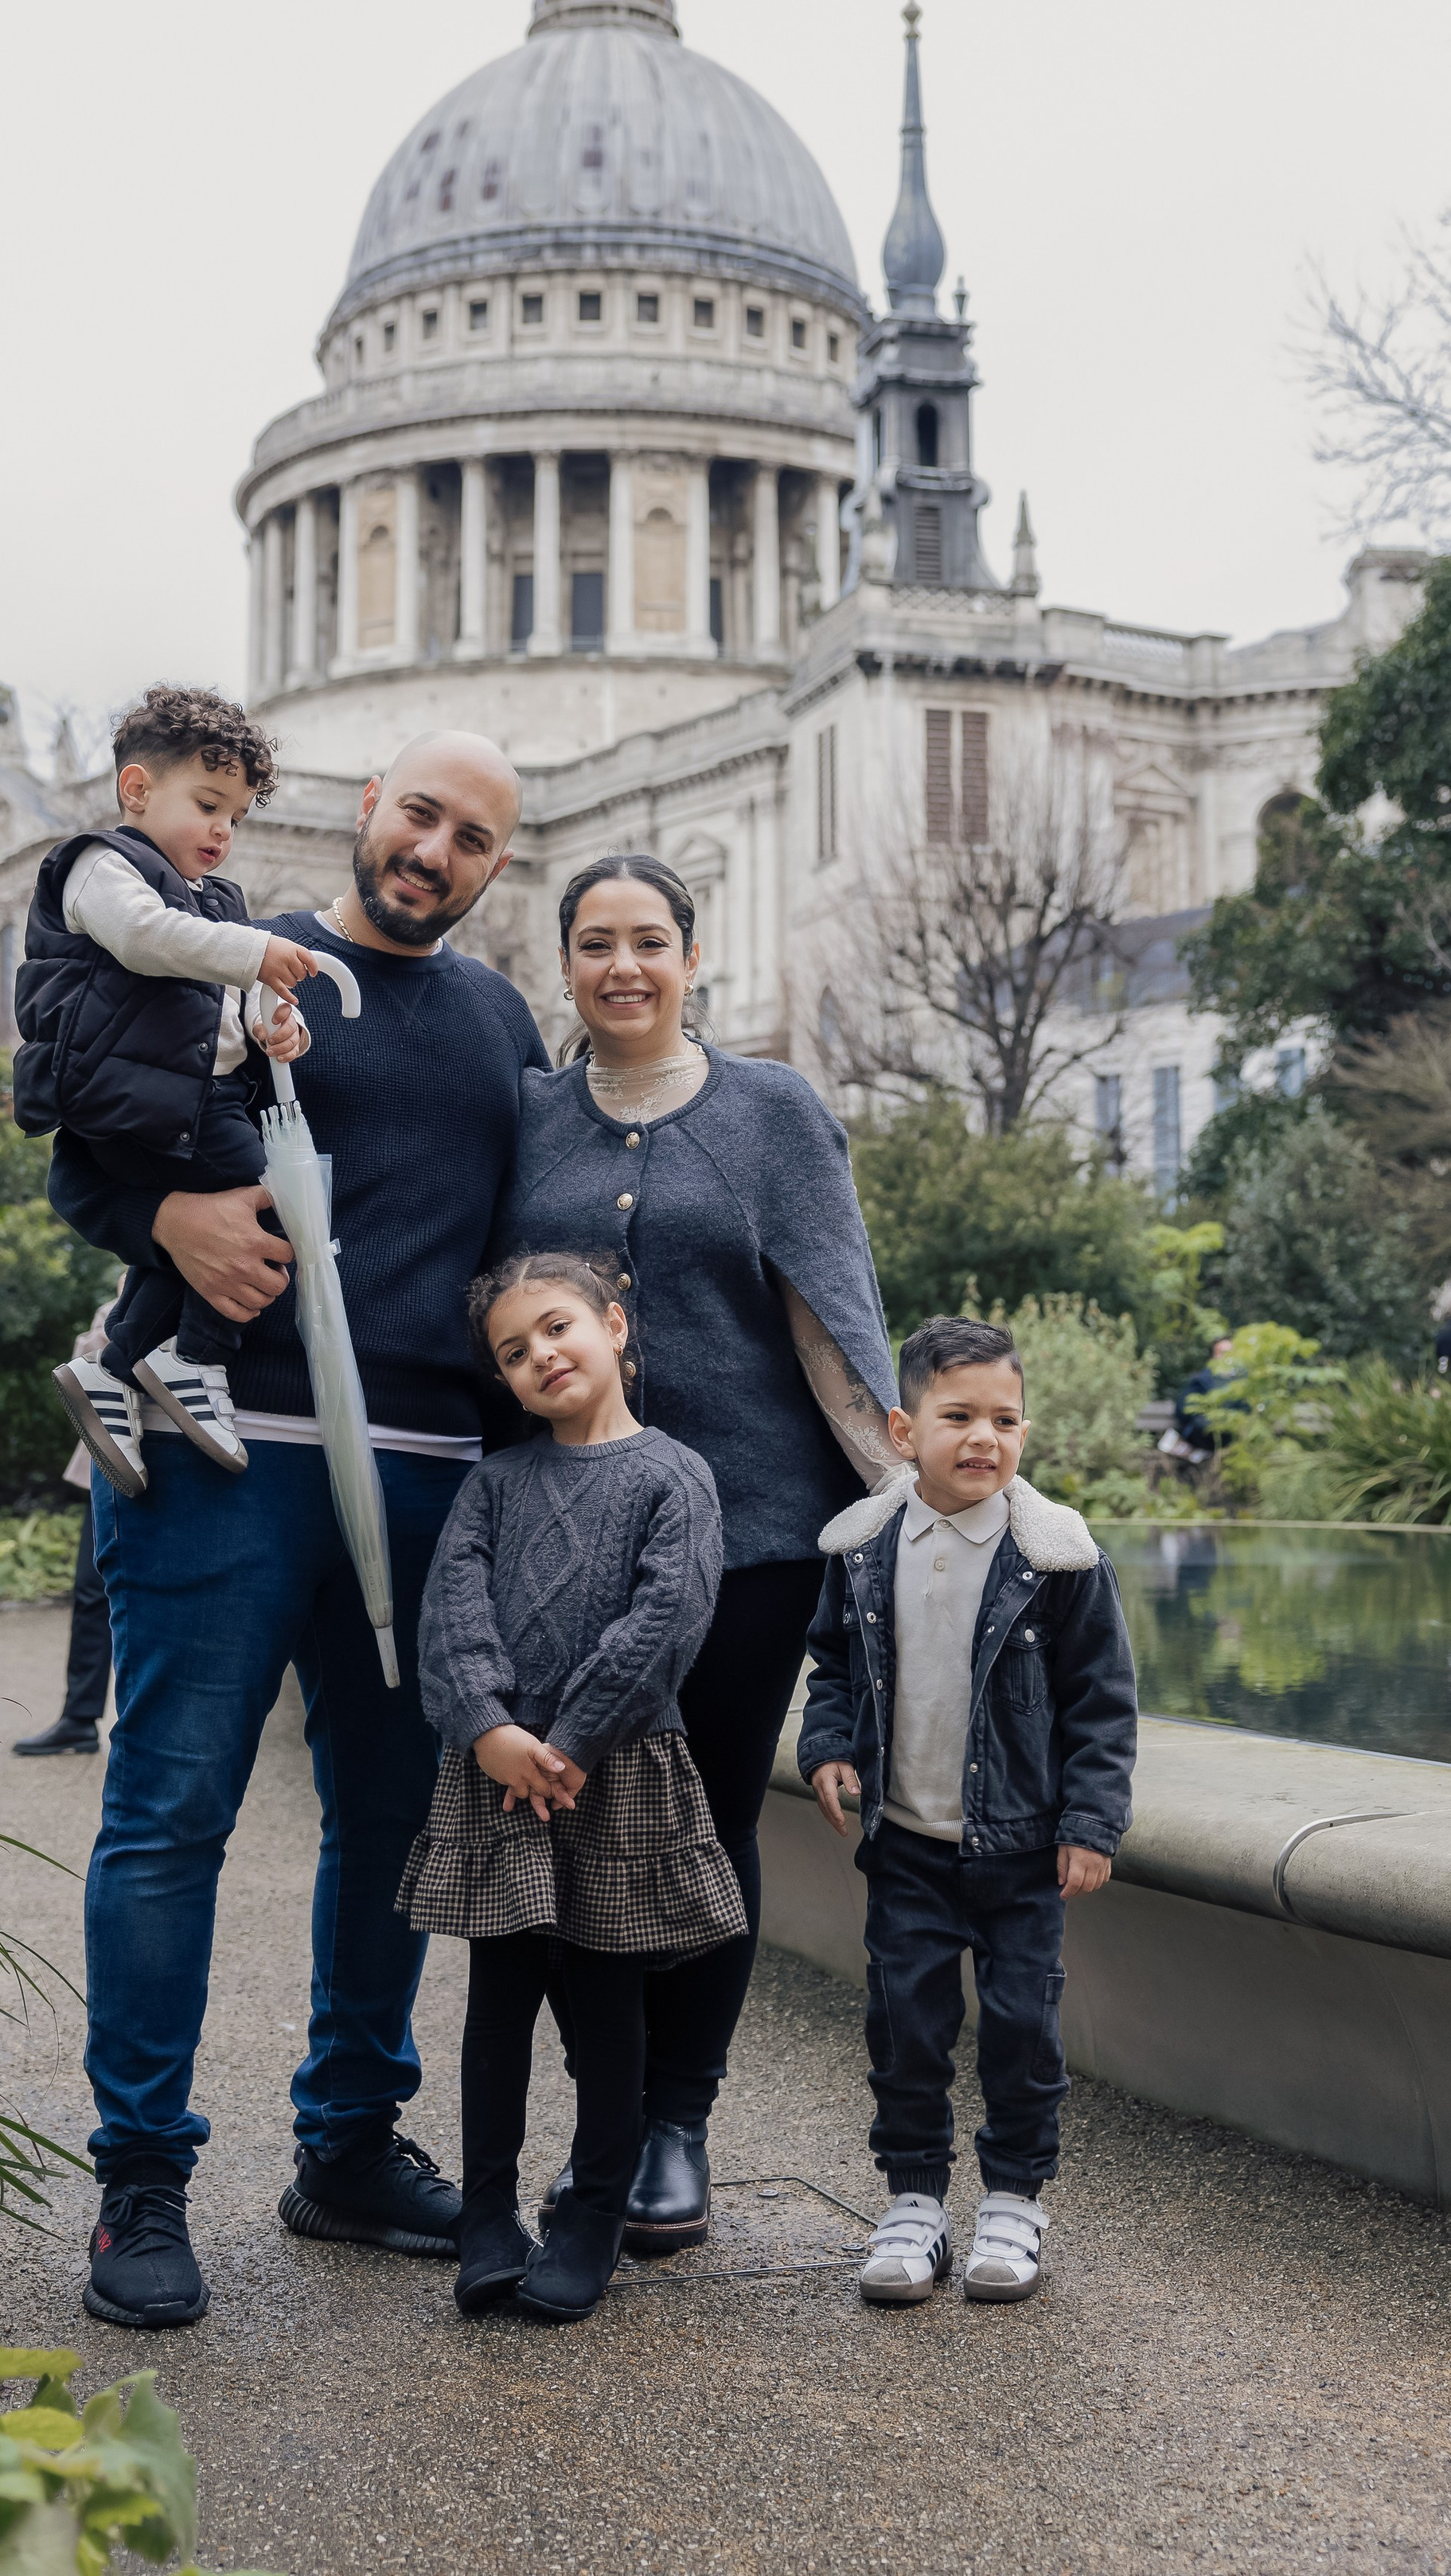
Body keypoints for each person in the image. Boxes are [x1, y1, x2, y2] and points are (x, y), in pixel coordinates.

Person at [45, 731, 548, 2329]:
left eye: (470, 838)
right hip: (219, 1446)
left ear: (490, 867)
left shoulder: (497, 1021)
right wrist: (162, 1217)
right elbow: (77, 1127)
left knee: (395, 1823)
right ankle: (141, 2182)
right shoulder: (224, 961)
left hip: (424, 1471)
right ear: (365, 813)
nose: (433, 851)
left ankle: (344, 2144)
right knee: (168, 1808)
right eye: (419, 815)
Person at [496, 853, 895, 2258]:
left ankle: (677, 2124)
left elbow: (835, 1325)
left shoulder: (773, 1112)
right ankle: (604, 2122)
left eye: (649, 942)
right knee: (569, 1823)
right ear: (566, 964)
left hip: (751, 1542)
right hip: (569, 1541)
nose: (624, 966)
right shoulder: (533, 1118)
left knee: (706, 1822)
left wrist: (908, 1511)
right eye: (596, 943)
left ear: (692, 955)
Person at [400, 1254, 743, 2324]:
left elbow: (666, 1622)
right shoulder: (495, 1484)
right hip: (500, 1777)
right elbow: (451, 1610)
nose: (541, 1356)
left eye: (556, 1328)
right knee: (495, 2000)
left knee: (608, 2005)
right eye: (514, 1351)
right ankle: (490, 2213)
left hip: (617, 1771)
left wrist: (574, 1740)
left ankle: (594, 2210)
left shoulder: (674, 1476)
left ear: (612, 1324)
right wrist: (495, 1729)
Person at [798, 1315, 1137, 2309]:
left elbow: (1102, 1705)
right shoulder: (863, 1548)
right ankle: (912, 2202)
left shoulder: (1058, 1558)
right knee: (904, 2025)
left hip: (1022, 1850)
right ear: (906, 1432)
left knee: (1023, 2030)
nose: (985, 1437)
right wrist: (826, 1748)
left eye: (1006, 1419)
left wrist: (1089, 1822)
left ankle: (1014, 2200)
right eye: (959, 1416)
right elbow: (833, 1664)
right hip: (905, 1845)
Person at [14, 684, 317, 1493]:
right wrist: (252, 952)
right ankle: (192, 1358)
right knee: (279, 1203)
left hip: (193, 1098)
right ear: (138, 789)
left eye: (237, 816)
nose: (223, 829)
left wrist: (279, 1025)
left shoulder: (217, 901)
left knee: (204, 1243)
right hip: (123, 1095)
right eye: (209, 804)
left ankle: (113, 1371)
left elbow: (242, 1004)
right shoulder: (98, 867)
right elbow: (147, 942)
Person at [14, 1284, 122, 1759]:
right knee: (91, 1591)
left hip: (188, 1463)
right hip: (115, 1464)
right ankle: (79, 1718)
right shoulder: (121, 1296)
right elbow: (85, 1374)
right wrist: (124, 1303)